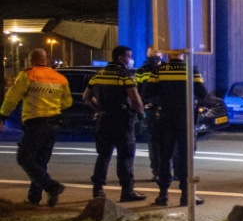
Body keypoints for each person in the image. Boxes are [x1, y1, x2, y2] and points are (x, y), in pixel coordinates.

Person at [0, 48, 71, 206]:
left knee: (24, 158)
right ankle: (34, 199)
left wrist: (3, 116)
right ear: (46, 60)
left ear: (32, 60)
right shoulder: (59, 78)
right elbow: (67, 102)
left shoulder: (27, 75)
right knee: (40, 162)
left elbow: (12, 98)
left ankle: (52, 186)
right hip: (54, 125)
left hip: (36, 124)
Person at [142, 53, 207, 207]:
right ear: (182, 54)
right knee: (185, 157)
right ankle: (186, 196)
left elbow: (147, 93)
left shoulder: (159, 71)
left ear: (169, 54)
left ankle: (163, 196)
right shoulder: (191, 70)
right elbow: (202, 94)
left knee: (165, 157)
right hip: (185, 118)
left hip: (165, 118)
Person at [83, 45, 146, 202]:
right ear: (120, 58)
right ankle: (127, 191)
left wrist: (99, 108)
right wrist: (141, 114)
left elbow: (86, 97)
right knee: (125, 156)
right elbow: (135, 98)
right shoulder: (125, 75)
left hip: (103, 120)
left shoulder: (98, 75)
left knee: (103, 155)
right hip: (122, 120)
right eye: (129, 56)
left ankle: (98, 190)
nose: (131, 60)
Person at [135, 49, 168, 183]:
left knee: (168, 143)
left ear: (162, 54)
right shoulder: (141, 71)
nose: (153, 56)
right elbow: (137, 92)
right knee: (153, 143)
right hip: (150, 111)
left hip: (166, 111)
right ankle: (157, 171)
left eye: (156, 53)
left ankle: (168, 171)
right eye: (150, 53)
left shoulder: (168, 69)